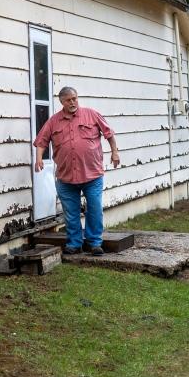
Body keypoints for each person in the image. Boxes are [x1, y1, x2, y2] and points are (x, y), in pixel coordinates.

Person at [34, 87, 120, 256]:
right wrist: (39, 158)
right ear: (62, 102)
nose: (73, 102)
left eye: (75, 98)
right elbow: (41, 141)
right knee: (71, 213)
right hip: (66, 177)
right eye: (68, 100)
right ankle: (74, 243)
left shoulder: (91, 114)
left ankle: (94, 243)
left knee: (94, 209)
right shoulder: (53, 121)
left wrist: (115, 152)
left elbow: (108, 133)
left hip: (92, 174)